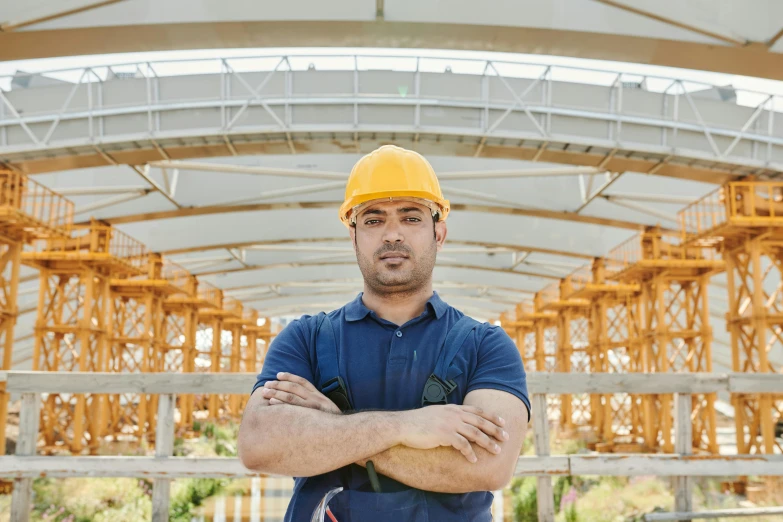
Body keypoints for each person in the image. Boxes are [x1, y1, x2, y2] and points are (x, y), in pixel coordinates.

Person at [238, 145, 530, 521]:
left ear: (439, 232)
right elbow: (260, 445)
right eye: (374, 221)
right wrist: (409, 426)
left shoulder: (486, 346)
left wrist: (334, 423)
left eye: (410, 218)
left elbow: (488, 466)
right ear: (353, 235)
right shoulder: (304, 339)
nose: (392, 235)